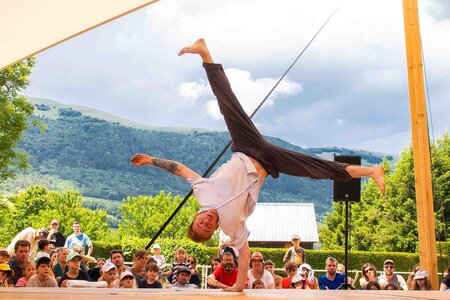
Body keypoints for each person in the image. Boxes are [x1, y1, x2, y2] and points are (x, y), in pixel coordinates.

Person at [131, 38, 385, 292]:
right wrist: (239, 287)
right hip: (269, 160)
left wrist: (151, 160)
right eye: (207, 228)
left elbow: (180, 169)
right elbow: (245, 254)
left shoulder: (202, 193)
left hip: (246, 146)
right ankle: (372, 171)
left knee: (227, 104)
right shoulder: (232, 226)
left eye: (200, 222)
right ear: (214, 230)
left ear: (197, 216)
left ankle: (205, 54)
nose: (206, 222)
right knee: (316, 169)